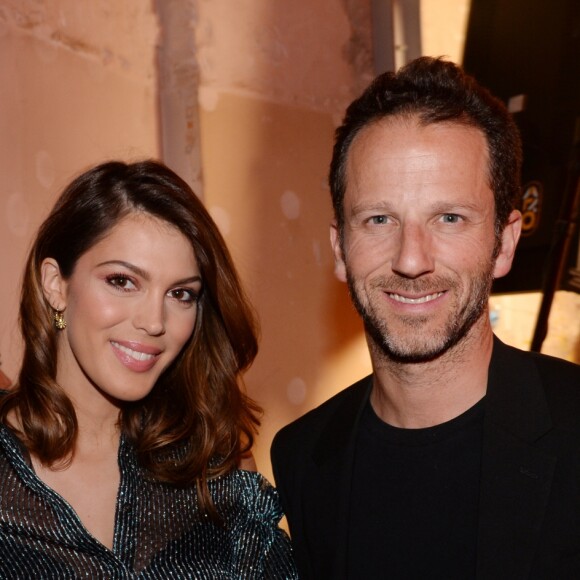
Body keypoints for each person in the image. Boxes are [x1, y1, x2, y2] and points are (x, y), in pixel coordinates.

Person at [271, 57, 580, 579]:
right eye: (379, 219)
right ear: (340, 248)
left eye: (449, 218)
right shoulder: (303, 457)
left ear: (504, 243)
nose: (411, 259)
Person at [0, 160, 298, 578]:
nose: (155, 322)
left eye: (180, 294)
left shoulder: (212, 469)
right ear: (56, 285)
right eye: (122, 281)